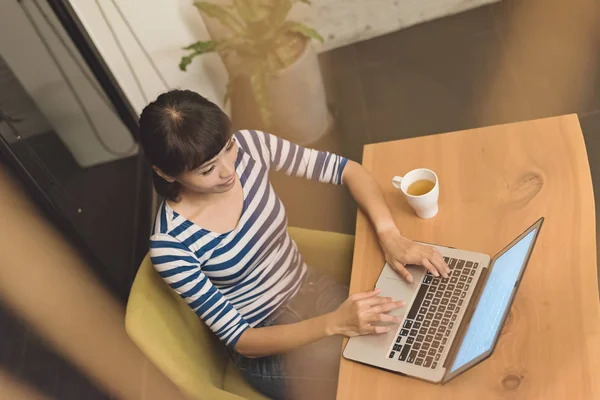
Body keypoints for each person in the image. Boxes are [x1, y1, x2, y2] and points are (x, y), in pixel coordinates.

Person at [139, 89, 449, 399]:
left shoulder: (251, 146)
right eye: (207, 169)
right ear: (166, 173)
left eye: (227, 147)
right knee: (367, 374)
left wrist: (390, 235)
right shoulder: (172, 246)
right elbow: (242, 339)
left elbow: (347, 170)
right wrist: (334, 324)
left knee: (407, 333)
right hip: (267, 341)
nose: (228, 170)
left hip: (309, 286)